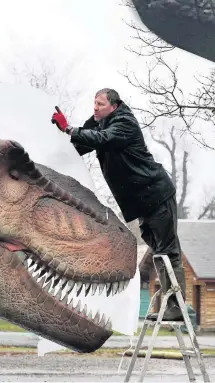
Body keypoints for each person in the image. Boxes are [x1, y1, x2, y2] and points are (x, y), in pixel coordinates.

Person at [51, 88, 185, 321]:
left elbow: (101, 139)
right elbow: (79, 146)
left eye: (100, 104)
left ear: (114, 106)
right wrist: (56, 139)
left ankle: (176, 308)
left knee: (168, 250)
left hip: (156, 194)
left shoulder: (124, 123)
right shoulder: (99, 123)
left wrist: (69, 129)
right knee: (159, 252)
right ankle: (170, 304)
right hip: (142, 201)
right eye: (94, 103)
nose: (95, 107)